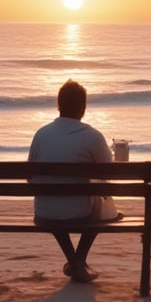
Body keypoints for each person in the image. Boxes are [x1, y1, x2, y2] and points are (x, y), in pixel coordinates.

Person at [28, 79, 120, 282]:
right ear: (83, 107)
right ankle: (78, 261)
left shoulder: (41, 134)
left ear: (59, 105)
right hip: (80, 214)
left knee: (59, 205)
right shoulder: (93, 136)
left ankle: (75, 261)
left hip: (44, 213)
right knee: (100, 203)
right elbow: (109, 174)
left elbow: (31, 176)